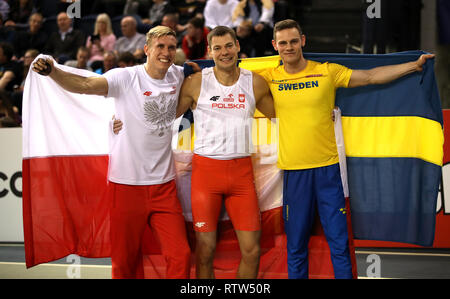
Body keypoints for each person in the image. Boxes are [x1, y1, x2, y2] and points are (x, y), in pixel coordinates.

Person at [262, 19, 435, 279]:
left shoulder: (327, 72)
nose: (289, 47)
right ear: (275, 46)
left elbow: (371, 76)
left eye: (294, 41)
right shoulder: (268, 78)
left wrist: (413, 65)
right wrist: (197, 73)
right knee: (296, 247)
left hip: (328, 172)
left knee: (339, 244)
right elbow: (227, 75)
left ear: (303, 41)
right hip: (294, 173)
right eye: (283, 43)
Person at [32, 25, 192, 279]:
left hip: (164, 186)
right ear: (146, 50)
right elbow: (85, 84)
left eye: (171, 47)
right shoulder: (125, 77)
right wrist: (53, 72)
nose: (166, 52)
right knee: (124, 263)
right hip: (126, 187)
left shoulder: (179, 75)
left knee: (181, 255)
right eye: (160, 47)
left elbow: (209, 73)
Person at [175, 26, 275, 278]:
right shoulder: (196, 83)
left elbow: (283, 115)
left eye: (229, 46)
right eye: (217, 48)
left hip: (241, 176)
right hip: (205, 177)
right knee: (206, 250)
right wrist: (120, 119)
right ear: (210, 51)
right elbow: (164, 116)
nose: (224, 52)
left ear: (238, 46)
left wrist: (324, 115)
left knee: (252, 251)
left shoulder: (255, 82)